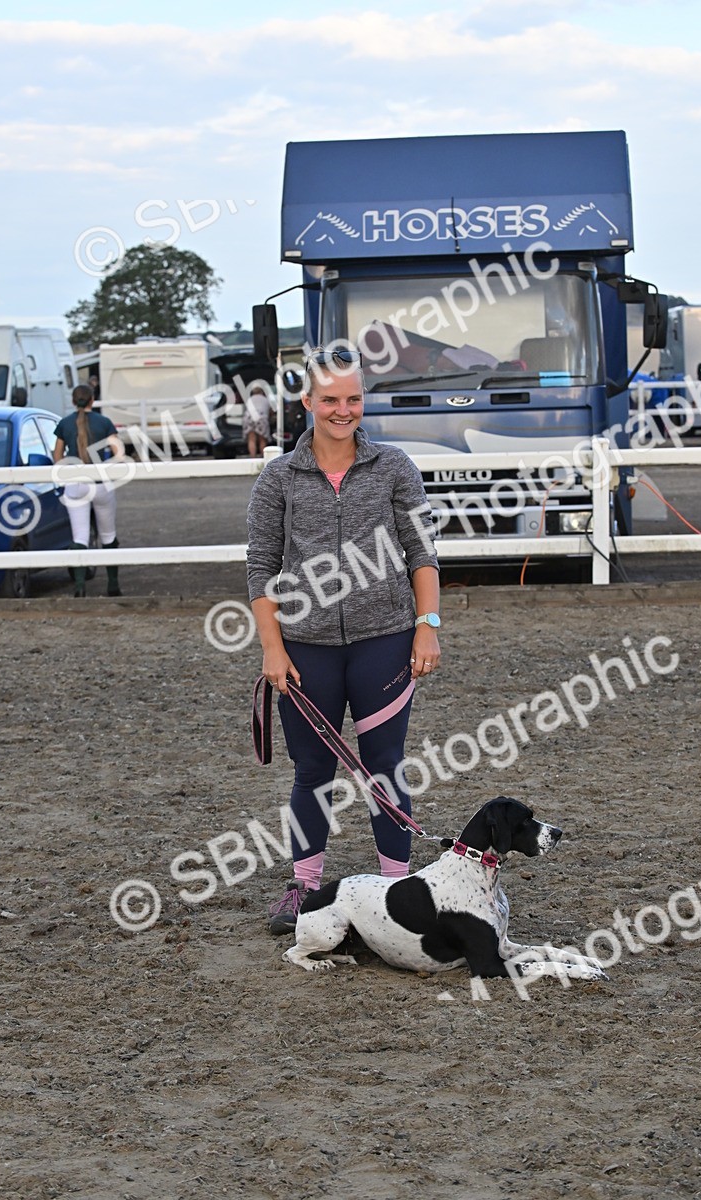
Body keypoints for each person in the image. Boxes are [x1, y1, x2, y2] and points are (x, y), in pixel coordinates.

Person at [246, 346, 441, 934]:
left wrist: (427, 626)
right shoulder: (278, 476)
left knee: (385, 766)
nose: (342, 410)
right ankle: (304, 886)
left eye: (352, 398)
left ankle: (395, 888)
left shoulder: (393, 466)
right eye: (329, 399)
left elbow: (422, 552)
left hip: (385, 638)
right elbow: (261, 565)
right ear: (306, 402)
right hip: (304, 647)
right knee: (312, 771)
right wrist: (272, 648)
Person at [53, 383, 125, 598]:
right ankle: (113, 585)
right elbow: (119, 452)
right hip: (100, 483)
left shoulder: (65, 424)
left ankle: (80, 587)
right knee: (108, 535)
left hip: (75, 484)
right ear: (92, 400)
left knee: (80, 537)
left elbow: (57, 456)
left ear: (74, 401)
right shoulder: (104, 422)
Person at [243, 382, 274, 457]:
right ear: (262, 391)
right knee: (262, 439)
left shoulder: (249, 400)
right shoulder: (266, 400)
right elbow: (271, 412)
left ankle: (253, 458)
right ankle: (263, 458)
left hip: (249, 418)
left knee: (251, 439)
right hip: (261, 418)